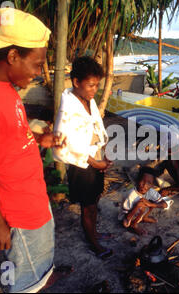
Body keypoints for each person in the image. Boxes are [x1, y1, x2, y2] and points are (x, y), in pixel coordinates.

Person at [0, 7, 69, 293]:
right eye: (36, 64)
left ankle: (42, 275)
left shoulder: (2, 84)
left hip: (30, 196)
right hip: (15, 213)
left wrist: (36, 139)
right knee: (19, 277)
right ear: (12, 56)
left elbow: (5, 136)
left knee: (37, 258)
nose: (38, 73)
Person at [53, 56, 113, 260]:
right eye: (90, 85)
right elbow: (65, 141)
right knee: (87, 206)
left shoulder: (87, 100)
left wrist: (104, 153)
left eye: (97, 85)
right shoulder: (68, 107)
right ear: (76, 82)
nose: (94, 89)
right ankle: (93, 243)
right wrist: (95, 162)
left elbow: (97, 126)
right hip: (82, 164)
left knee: (94, 200)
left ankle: (94, 233)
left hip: (94, 159)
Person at [121, 167, 167, 235]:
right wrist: (137, 206)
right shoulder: (130, 195)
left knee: (151, 202)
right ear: (137, 181)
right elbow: (126, 217)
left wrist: (151, 205)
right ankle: (134, 225)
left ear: (152, 185)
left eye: (149, 183)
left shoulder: (151, 191)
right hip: (128, 218)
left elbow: (165, 205)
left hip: (140, 213)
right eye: (143, 181)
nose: (145, 185)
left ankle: (144, 217)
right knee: (141, 205)